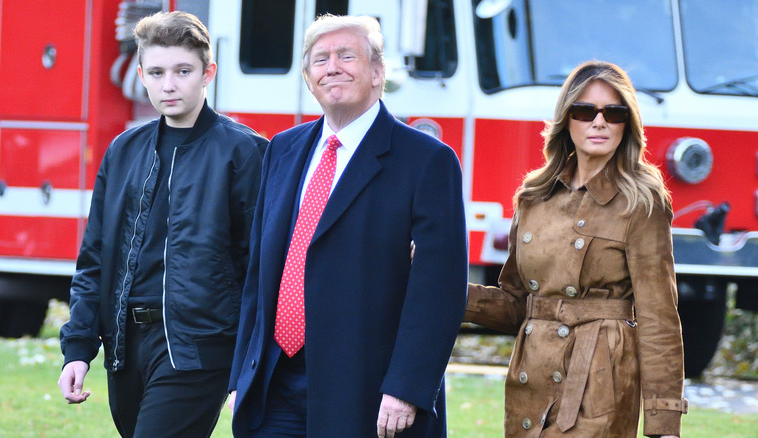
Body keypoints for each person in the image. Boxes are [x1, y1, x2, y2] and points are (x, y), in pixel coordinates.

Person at [227, 14, 468, 438]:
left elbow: (439, 289)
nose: (332, 66)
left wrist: (406, 388)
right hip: (274, 386)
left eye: (346, 55)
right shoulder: (282, 150)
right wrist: (240, 377)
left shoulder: (427, 161)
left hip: (367, 392)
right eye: (320, 59)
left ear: (377, 72)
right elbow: (259, 273)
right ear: (308, 78)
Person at [57, 11, 267, 437]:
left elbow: (259, 266)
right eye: (156, 72)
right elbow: (95, 257)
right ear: (141, 75)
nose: (168, 84)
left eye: (182, 71)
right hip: (125, 348)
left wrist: (248, 361)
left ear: (207, 73)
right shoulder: (123, 150)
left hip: (198, 348)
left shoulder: (244, 152)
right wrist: (78, 348)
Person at [464, 60, 687, 437]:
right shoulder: (535, 196)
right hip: (532, 381)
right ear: (567, 119)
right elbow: (516, 304)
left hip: (601, 381)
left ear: (626, 124)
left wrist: (664, 423)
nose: (598, 122)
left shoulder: (641, 201)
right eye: (585, 111)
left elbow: (659, 317)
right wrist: (442, 288)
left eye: (613, 113)